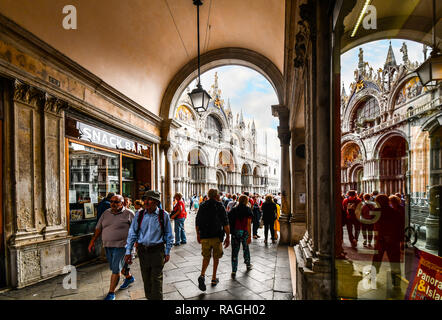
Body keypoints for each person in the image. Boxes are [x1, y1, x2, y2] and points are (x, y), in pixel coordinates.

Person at [124, 190, 174, 300]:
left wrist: (167, 252)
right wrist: (128, 251)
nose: (146, 202)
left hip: (157, 251)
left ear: (156, 202)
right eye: (145, 199)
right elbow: (132, 233)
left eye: (149, 199)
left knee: (156, 279)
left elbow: (169, 234)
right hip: (143, 251)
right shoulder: (139, 215)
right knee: (146, 279)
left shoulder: (163, 215)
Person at [88, 195, 135, 300]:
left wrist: (134, 247)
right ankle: (129, 278)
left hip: (122, 246)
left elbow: (136, 231)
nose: (113, 204)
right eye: (111, 201)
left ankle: (111, 293)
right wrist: (92, 241)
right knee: (118, 267)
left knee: (115, 270)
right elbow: (98, 228)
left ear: (122, 203)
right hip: (108, 246)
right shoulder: (106, 213)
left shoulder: (129, 214)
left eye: (116, 202)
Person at [195, 188, 230, 291]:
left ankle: (202, 275)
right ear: (217, 196)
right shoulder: (220, 206)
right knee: (216, 257)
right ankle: (214, 278)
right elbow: (225, 223)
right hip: (216, 237)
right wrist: (228, 237)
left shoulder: (202, 205)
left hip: (205, 236)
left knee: (206, 257)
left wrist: (198, 234)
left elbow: (198, 221)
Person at [228, 195, 253, 278]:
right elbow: (249, 224)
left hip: (235, 232)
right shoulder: (248, 210)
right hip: (245, 232)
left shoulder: (234, 210)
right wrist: (249, 236)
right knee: (246, 248)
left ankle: (234, 270)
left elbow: (229, 222)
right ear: (246, 201)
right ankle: (248, 264)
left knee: (235, 251)